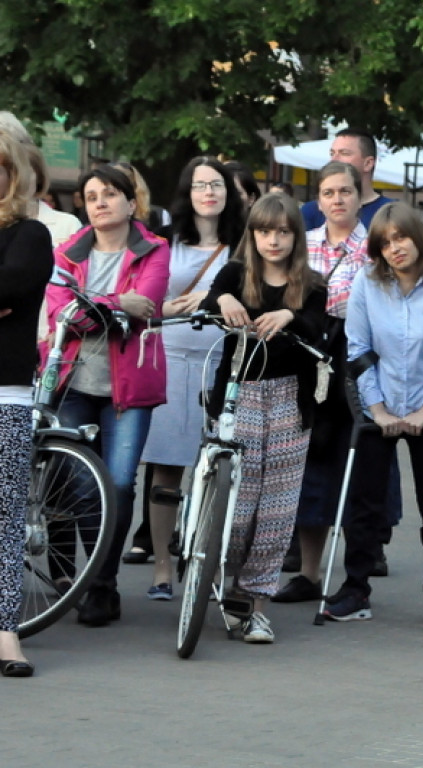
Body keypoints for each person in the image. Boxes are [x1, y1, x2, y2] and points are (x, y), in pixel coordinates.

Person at [323, 202, 423, 623]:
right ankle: (355, 590)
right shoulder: (366, 286)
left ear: (418, 238)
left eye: (401, 237)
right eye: (385, 243)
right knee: (365, 504)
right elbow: (357, 352)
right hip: (380, 404)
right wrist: (377, 410)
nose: (395, 248)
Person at [45, 165, 170, 626]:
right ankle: (92, 583)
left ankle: (103, 585)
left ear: (131, 203)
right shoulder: (67, 252)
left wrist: (93, 305)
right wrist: (118, 303)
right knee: (81, 484)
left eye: (110, 194)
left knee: (117, 483)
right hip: (74, 383)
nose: (99, 202)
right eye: (91, 196)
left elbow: (148, 305)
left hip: (128, 388)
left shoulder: (154, 250)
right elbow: (63, 313)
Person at [201, 194, 327, 643]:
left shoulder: (311, 283)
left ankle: (256, 605)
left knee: (277, 510)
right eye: (264, 231)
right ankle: (223, 582)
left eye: (283, 231)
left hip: (291, 400)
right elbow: (213, 298)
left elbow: (318, 323)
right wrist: (227, 302)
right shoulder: (236, 273)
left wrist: (289, 313)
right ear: (252, 235)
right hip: (241, 395)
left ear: (296, 235)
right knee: (236, 504)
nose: (273, 240)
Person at [133, 157, 246, 598]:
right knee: (166, 469)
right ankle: (162, 566)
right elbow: (146, 301)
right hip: (169, 359)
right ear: (188, 192)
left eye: (216, 184)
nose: (209, 192)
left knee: (219, 471)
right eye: (200, 185)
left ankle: (209, 566)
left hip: (222, 363)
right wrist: (166, 308)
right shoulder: (163, 241)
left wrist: (218, 296)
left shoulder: (242, 244)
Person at [272, 160, 371, 604]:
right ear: (318, 199)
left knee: (353, 468)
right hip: (307, 357)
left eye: (344, 192)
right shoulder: (303, 243)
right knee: (310, 467)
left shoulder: (375, 244)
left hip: (356, 358)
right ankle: (309, 574)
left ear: (359, 194)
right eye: (328, 193)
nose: (336, 200)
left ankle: (356, 577)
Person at [0, 130, 54, 677]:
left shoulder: (30, 233)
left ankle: (5, 633)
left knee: (3, 516)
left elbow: (15, 282)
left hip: (5, 392)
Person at [301, 128, 392, 231]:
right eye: (332, 153)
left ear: (368, 163)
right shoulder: (311, 211)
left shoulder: (391, 212)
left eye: (344, 153)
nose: (334, 160)